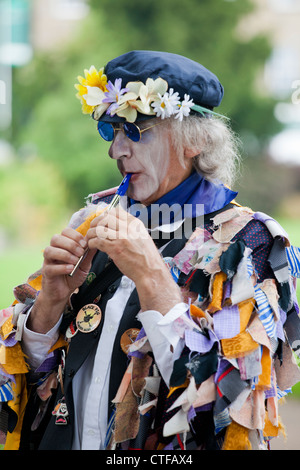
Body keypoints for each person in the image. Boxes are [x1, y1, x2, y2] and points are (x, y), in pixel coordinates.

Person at [1, 50, 300, 451]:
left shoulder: (250, 240)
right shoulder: (90, 221)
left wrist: (151, 276)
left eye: (137, 130)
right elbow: (30, 389)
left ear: (193, 141)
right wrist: (48, 310)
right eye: (111, 131)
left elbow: (228, 409)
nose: (116, 151)